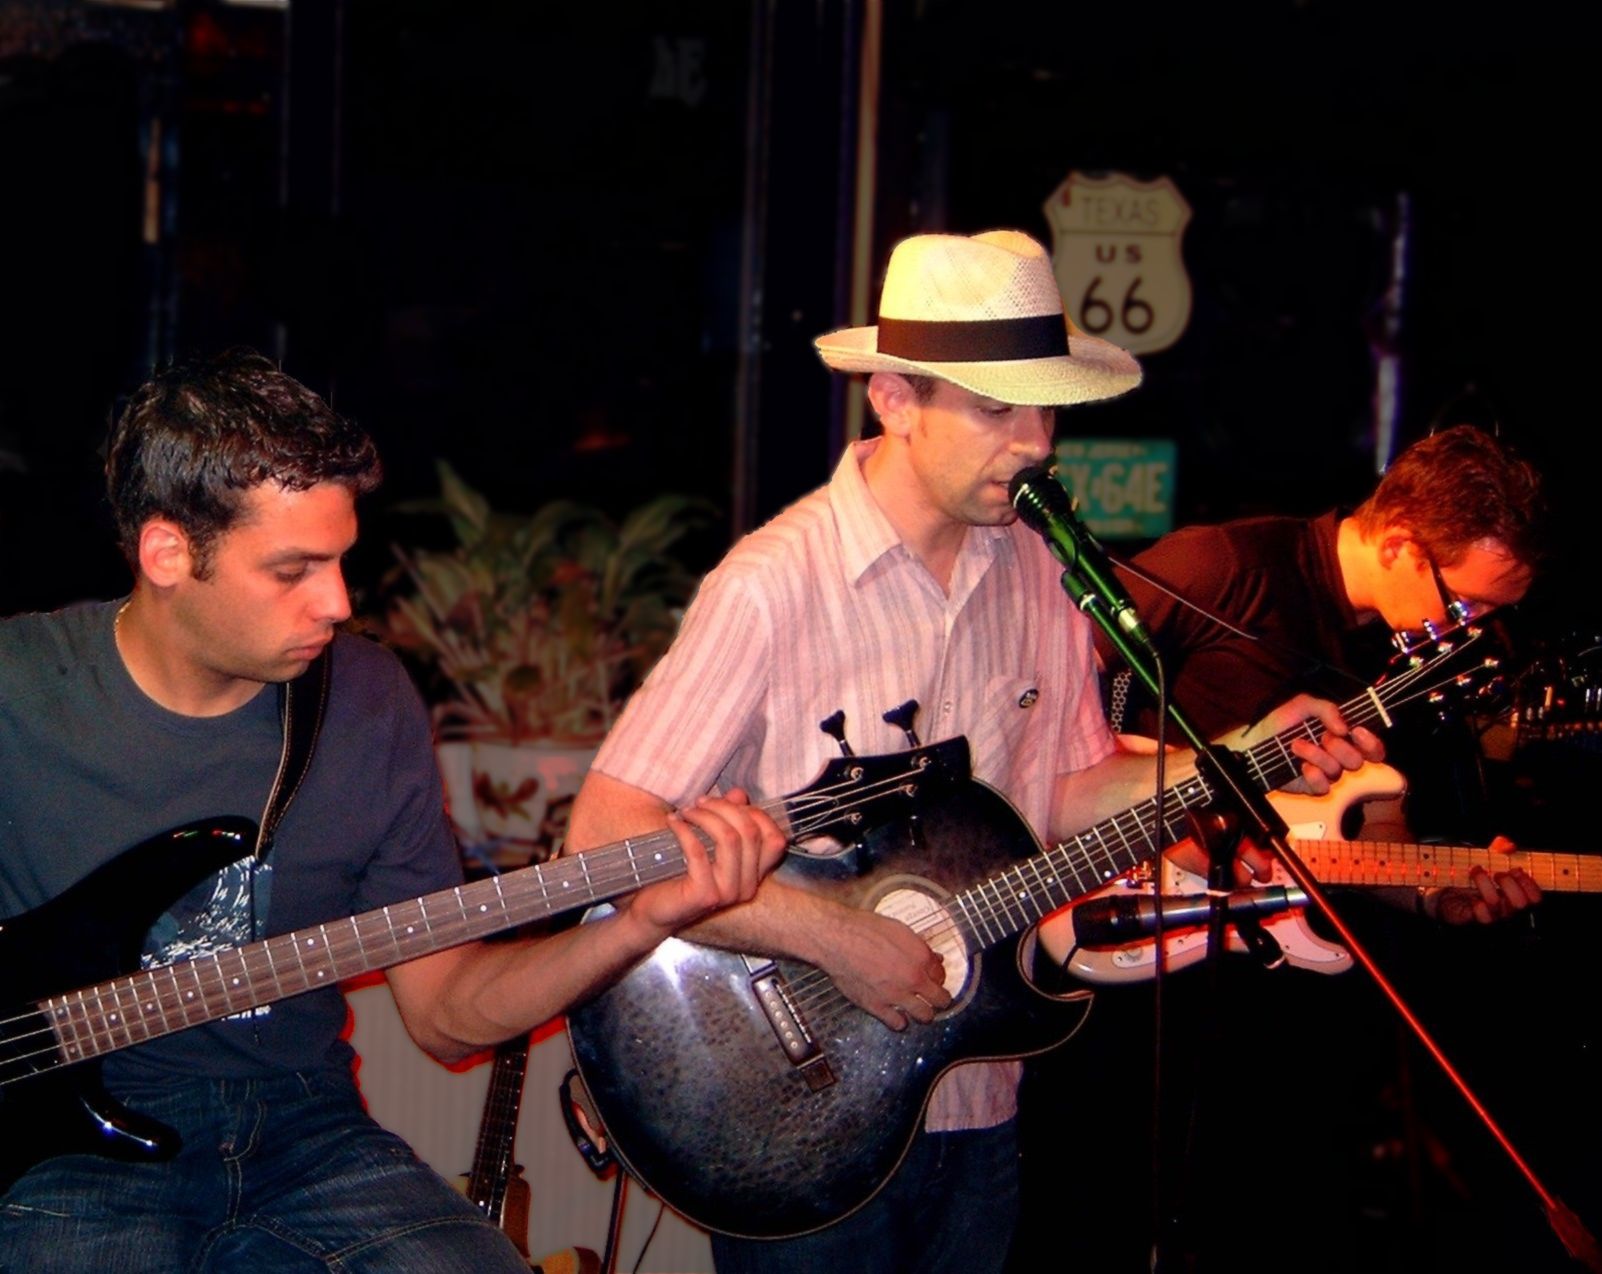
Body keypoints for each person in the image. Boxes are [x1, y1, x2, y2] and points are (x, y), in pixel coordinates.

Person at [565, 230, 1382, 1274]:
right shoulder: (774, 584)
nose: (1035, 440)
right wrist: (832, 935)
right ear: (896, 398)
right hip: (803, 1105)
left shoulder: (1041, 576)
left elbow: (1072, 787)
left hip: (980, 1087)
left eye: (1044, 408)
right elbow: (610, 827)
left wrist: (1246, 751)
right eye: (997, 408)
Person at [0, 349, 785, 1272]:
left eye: (340, 561)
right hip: (55, 1152)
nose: (336, 602)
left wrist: (642, 922)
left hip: (305, 1131)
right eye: (293, 569)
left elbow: (447, 1013)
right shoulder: (20, 692)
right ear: (169, 553)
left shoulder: (366, 703)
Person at [1099, 423, 1546, 921]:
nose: (1472, 627)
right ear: (1399, 545)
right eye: (1465, 604)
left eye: (1491, 612)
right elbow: (1045, 682)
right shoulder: (1225, 564)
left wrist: (1433, 895)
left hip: (1266, 943)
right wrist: (1158, 819)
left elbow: (1375, 827)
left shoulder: (1408, 660)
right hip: (1128, 893)